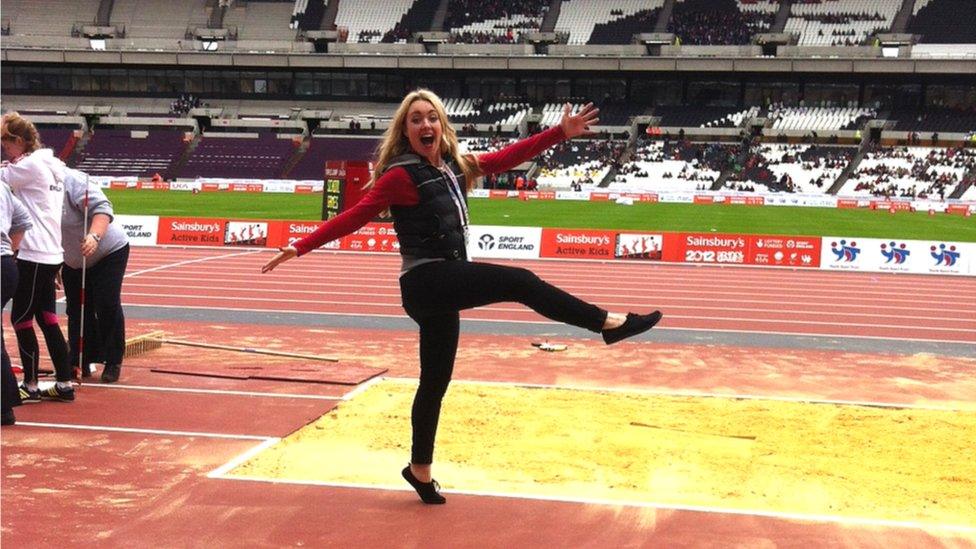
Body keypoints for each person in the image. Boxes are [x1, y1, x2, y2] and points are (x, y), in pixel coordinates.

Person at [262, 89, 663, 505]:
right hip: (426, 280)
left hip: (444, 284)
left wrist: (559, 132)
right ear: (406, 130)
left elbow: (506, 157)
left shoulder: (455, 166)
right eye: (415, 119)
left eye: (431, 117)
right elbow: (355, 216)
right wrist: (300, 246)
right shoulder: (399, 175)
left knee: (434, 382)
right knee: (520, 281)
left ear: (442, 125)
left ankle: (420, 471)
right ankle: (608, 323)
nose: (425, 125)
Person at [0, 112, 73, 402]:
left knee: (21, 318)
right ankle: (64, 382)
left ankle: (30, 385)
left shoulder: (28, 166)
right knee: (48, 317)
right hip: (51, 250)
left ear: (18, 141)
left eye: (6, 145)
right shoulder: (52, 164)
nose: (4, 150)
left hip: (33, 251)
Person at [60, 168, 130, 383]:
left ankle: (113, 359)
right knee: (76, 308)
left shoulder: (71, 180)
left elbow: (102, 208)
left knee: (106, 303)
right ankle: (81, 359)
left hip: (107, 250)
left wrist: (94, 236)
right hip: (72, 259)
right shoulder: (31, 189)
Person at [1, 183, 33, 425]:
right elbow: (22, 220)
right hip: (6, 266)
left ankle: (3, 406)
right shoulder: (2, 187)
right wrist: (9, 251)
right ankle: (4, 405)